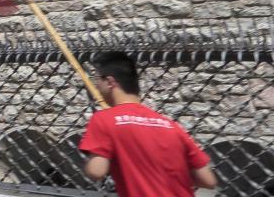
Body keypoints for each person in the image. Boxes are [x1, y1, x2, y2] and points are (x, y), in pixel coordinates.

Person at [80, 51, 219, 197]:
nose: (96, 85)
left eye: (97, 80)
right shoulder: (170, 125)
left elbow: (96, 171)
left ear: (110, 82)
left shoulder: (104, 119)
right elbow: (208, 180)